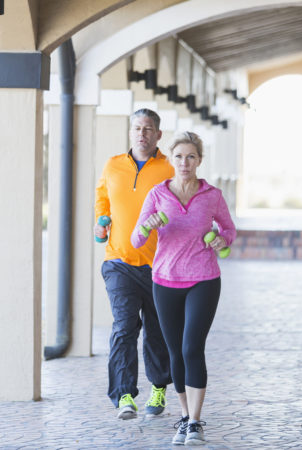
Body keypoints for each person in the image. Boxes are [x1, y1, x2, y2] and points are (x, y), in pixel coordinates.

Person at [131, 131, 236, 445]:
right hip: (165, 280)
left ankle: (195, 421)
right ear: (171, 159)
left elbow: (228, 228)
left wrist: (222, 239)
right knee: (175, 351)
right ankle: (183, 415)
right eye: (179, 156)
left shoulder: (212, 195)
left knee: (192, 348)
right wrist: (147, 226)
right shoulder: (157, 194)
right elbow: (136, 239)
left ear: (199, 160)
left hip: (204, 278)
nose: (185, 162)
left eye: (191, 156)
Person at [94, 109, 174, 420]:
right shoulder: (113, 165)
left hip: (159, 266)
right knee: (124, 327)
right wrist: (101, 221)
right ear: (131, 132)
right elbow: (103, 197)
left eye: (148, 128)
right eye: (137, 128)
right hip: (119, 262)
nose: (142, 133)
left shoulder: (169, 168)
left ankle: (159, 386)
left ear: (158, 135)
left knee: (157, 331)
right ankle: (124, 394)